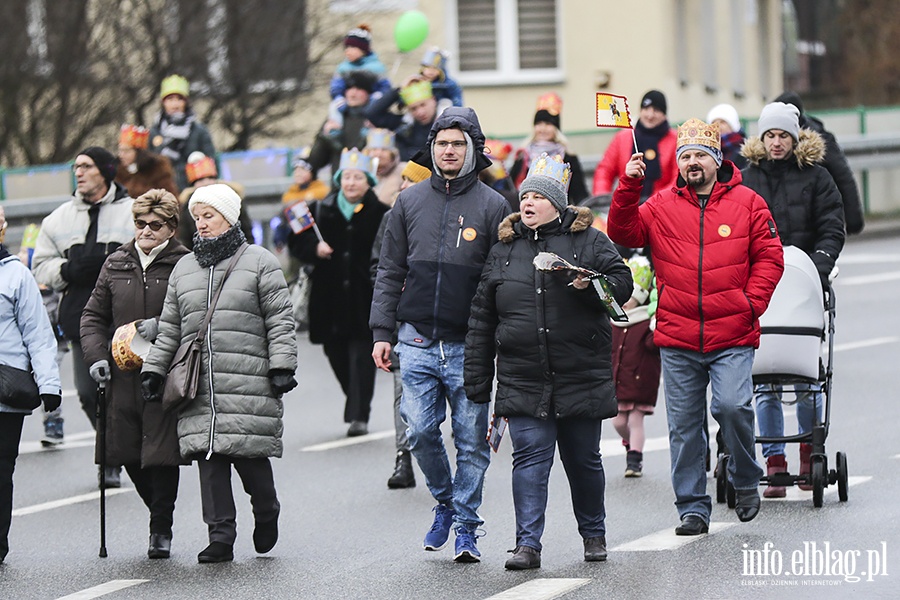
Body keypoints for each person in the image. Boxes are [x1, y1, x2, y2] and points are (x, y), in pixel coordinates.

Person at [607, 118, 784, 535]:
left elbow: (770, 258)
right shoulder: (662, 204)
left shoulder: (748, 203)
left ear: (716, 160)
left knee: (732, 408)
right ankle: (692, 507)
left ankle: (744, 478)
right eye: (685, 156)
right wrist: (629, 187)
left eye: (700, 155)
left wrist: (750, 303)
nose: (692, 163)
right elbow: (623, 231)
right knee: (684, 428)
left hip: (733, 333)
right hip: (677, 335)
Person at [465, 153, 633, 570]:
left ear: (557, 204)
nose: (529, 202)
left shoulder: (591, 240)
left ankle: (593, 534)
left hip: (580, 373)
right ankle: (527, 545)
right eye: (526, 195)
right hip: (524, 375)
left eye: (539, 196)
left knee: (584, 461)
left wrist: (587, 284)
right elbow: (483, 316)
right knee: (529, 459)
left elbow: (622, 283)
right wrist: (478, 378)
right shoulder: (504, 248)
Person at [370, 107, 511, 562]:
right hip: (415, 341)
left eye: (458, 144)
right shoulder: (408, 203)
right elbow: (390, 271)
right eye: (442, 144)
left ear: (473, 151)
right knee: (418, 432)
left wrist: (501, 340)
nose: (448, 151)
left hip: (469, 344)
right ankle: (447, 503)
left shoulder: (493, 206)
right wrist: (381, 330)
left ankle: (467, 527)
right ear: (431, 149)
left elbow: (503, 281)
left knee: (471, 441)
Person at [140, 183, 298, 564]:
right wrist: (154, 370)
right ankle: (221, 536)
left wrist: (282, 366)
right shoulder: (185, 268)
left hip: (247, 381)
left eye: (209, 215)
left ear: (229, 217)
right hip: (199, 384)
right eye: (197, 217)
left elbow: (280, 320)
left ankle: (266, 509)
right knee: (209, 460)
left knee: (249, 458)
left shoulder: (260, 262)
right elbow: (172, 329)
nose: (202, 224)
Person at [740, 101, 845, 497]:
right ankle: (774, 460)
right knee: (764, 379)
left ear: (795, 137)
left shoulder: (816, 179)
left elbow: (832, 225)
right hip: (760, 288)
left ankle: (807, 451)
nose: (777, 142)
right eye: (770, 135)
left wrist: (818, 264)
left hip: (803, 286)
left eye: (784, 135)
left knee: (806, 378)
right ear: (762, 139)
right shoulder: (747, 180)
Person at [80, 189, 190, 559]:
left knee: (162, 453)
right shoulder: (116, 262)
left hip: (164, 371)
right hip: (121, 374)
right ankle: (157, 514)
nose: (145, 230)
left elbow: (196, 315)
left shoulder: (185, 264)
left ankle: (161, 528)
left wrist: (162, 326)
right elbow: (93, 316)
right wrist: (96, 356)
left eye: (154, 225)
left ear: (171, 228)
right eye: (140, 223)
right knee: (126, 450)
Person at [31, 146, 134, 488]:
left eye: (87, 166)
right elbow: (40, 264)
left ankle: (123, 453)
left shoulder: (132, 212)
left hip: (127, 319)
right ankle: (111, 454)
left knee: (126, 394)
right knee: (91, 394)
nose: (79, 172)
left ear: (105, 172)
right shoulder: (58, 219)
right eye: (76, 167)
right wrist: (68, 269)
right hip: (81, 317)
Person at [288, 148, 387, 437]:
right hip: (328, 298)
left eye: (358, 177)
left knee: (361, 356)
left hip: (364, 296)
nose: (351, 183)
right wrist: (314, 249)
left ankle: (359, 415)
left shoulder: (382, 213)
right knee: (336, 353)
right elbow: (295, 243)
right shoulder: (319, 209)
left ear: (368, 181)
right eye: (346, 177)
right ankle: (354, 400)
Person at [0, 206, 62, 565]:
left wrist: (50, 384)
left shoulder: (17, 277)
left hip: (5, 389)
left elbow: (38, 335)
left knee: (1, 467)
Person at [369, 160, 432, 490]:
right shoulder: (390, 219)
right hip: (402, 321)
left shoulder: (441, 218)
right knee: (401, 392)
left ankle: (438, 457)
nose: (403, 185)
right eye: (403, 179)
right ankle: (402, 456)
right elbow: (378, 269)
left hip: (441, 322)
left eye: (411, 180)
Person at [775, 91, 864, 235]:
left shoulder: (821, 140)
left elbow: (842, 176)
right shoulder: (773, 143)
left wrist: (853, 218)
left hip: (816, 219)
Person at [610, 254, 660, 478]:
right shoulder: (615, 321)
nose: (625, 302)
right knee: (619, 421)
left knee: (635, 419)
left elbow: (653, 345)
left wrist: (655, 325)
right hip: (619, 380)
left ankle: (635, 460)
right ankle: (629, 443)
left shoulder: (645, 322)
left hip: (640, 380)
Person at [592, 90, 678, 200]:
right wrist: (602, 199)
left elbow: (677, 179)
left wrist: (655, 202)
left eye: (656, 110)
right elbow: (604, 171)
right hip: (625, 205)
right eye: (646, 109)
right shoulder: (622, 138)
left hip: (661, 207)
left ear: (664, 114)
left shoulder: (675, 140)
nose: (650, 115)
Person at [509, 93, 589, 203]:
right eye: (539, 123)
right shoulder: (524, 155)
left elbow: (579, 193)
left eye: (548, 124)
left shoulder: (568, 156)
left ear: (556, 128)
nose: (543, 128)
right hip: (527, 211)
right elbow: (511, 187)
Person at [149, 75, 216, 190]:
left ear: (186, 102)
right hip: (164, 192)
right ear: (163, 103)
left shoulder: (199, 131)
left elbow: (212, 163)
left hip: (193, 191)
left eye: (179, 99)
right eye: (170, 99)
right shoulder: (154, 132)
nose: (175, 105)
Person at [176, 152, 254, 249]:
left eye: (210, 178)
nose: (206, 183)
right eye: (200, 180)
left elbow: (247, 233)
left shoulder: (231, 199)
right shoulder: (187, 207)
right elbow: (185, 239)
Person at [309, 70, 377, 176]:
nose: (352, 93)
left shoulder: (376, 119)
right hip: (339, 186)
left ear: (369, 93)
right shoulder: (335, 118)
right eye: (349, 88)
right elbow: (315, 161)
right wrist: (325, 137)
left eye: (359, 89)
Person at [327, 24, 392, 132]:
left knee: (374, 110)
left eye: (352, 47)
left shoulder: (376, 67)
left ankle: (368, 126)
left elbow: (385, 86)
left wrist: (378, 96)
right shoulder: (343, 68)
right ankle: (336, 127)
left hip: (370, 102)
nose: (347, 51)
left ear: (363, 49)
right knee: (333, 107)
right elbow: (336, 85)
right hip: (347, 102)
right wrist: (338, 96)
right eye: (346, 47)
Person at [367, 78, 441, 161]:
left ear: (434, 100)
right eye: (413, 109)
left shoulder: (446, 125)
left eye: (423, 105)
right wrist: (399, 90)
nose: (420, 112)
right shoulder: (404, 125)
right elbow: (372, 114)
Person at [115, 124, 180, 198]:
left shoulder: (157, 169)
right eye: (120, 150)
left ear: (138, 152)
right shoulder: (118, 173)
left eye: (126, 151)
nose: (121, 155)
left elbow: (170, 198)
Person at [365, 129, 404, 207]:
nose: (378, 154)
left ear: (393, 154)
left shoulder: (404, 171)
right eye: (374, 149)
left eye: (384, 150)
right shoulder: (363, 173)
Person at [706, 104, 748, 169]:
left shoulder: (745, 151)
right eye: (714, 123)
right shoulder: (707, 150)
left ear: (733, 125)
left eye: (723, 122)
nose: (718, 126)